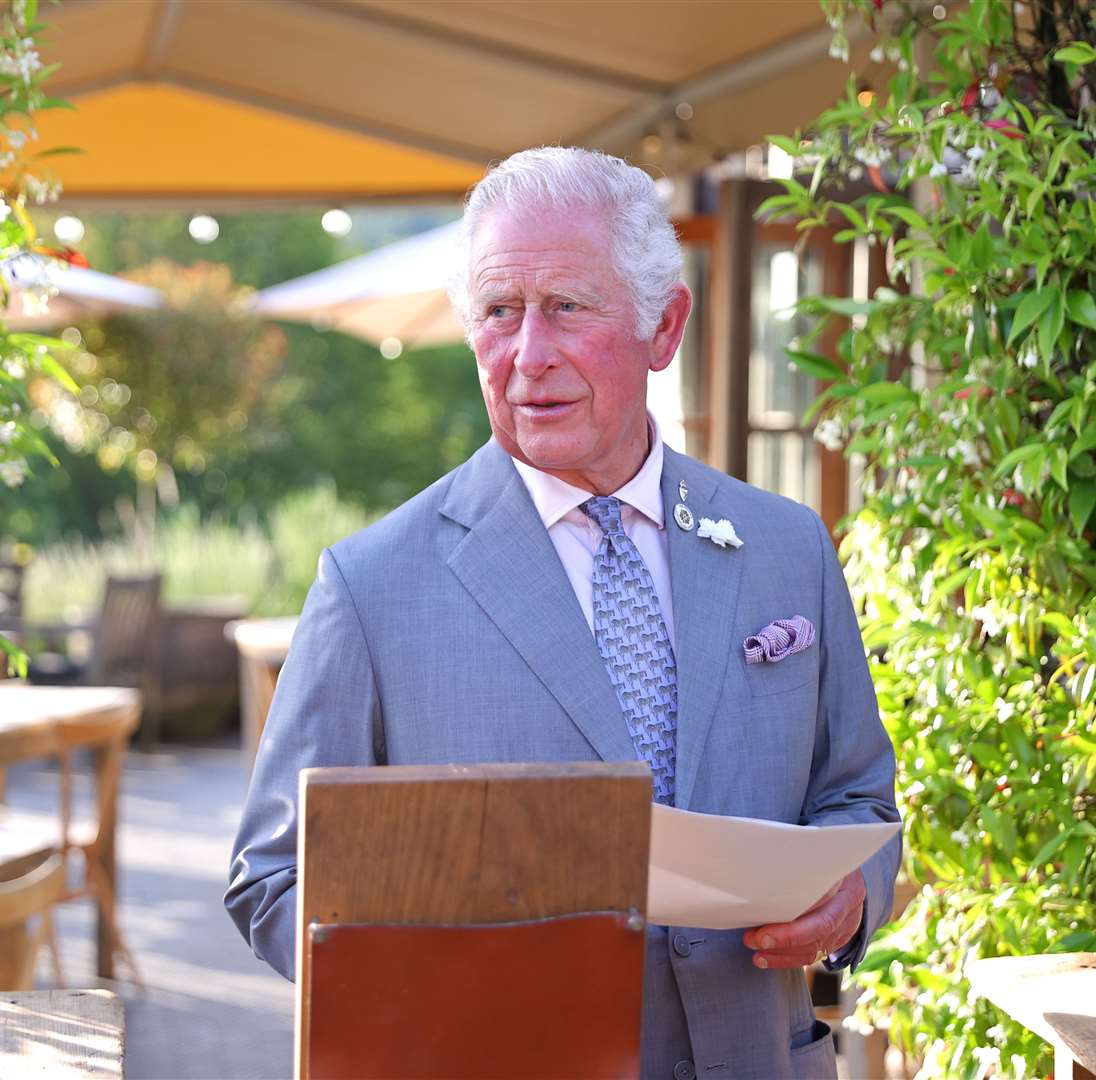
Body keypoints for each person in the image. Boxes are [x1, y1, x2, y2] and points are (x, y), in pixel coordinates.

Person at [227, 147, 900, 1079]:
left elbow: (857, 799)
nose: (527, 356)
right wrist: (440, 983)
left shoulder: (786, 546)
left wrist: (850, 900)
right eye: (500, 311)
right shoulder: (372, 584)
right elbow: (273, 879)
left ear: (663, 328)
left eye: (568, 309)